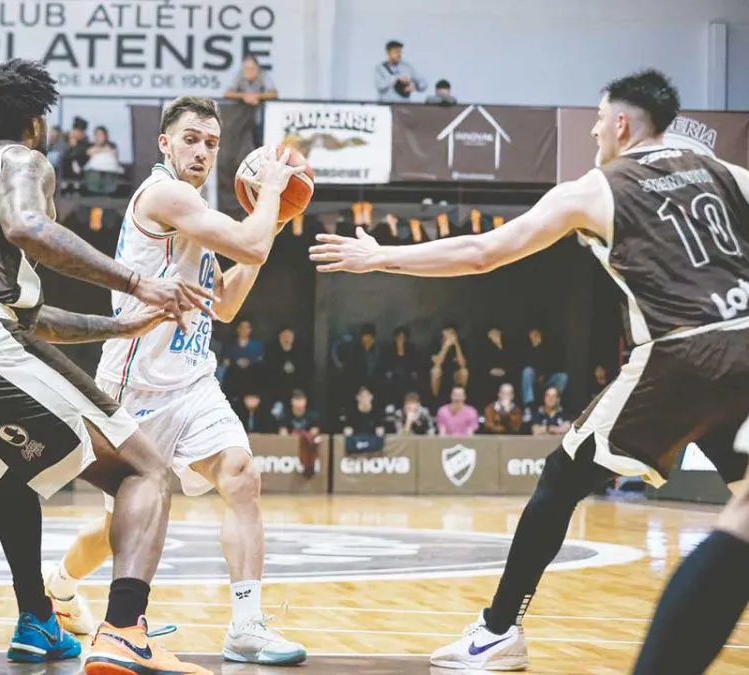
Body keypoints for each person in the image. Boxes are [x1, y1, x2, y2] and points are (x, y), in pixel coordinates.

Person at [309, 68, 749, 672]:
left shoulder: (595, 189)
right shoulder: (726, 172)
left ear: (622, 124)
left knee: (560, 480)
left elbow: (481, 252)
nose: (595, 133)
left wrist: (381, 256)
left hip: (683, 354)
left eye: (599, 121)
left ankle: (497, 630)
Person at [0, 60, 219, 675]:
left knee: (11, 475)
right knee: (145, 470)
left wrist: (120, 325)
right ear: (34, 119)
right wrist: (136, 282)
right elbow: (29, 226)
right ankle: (125, 631)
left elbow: (31, 317)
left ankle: (36, 618)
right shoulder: (22, 158)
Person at [43, 95, 307, 666]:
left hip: (192, 382)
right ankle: (60, 586)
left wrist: (274, 222)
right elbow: (251, 241)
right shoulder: (164, 195)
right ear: (165, 144)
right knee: (118, 525)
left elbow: (226, 305)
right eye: (191, 139)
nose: (202, 151)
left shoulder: (198, 212)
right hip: (134, 385)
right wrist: (270, 197)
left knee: (241, 475)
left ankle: (246, 625)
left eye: (212, 143)